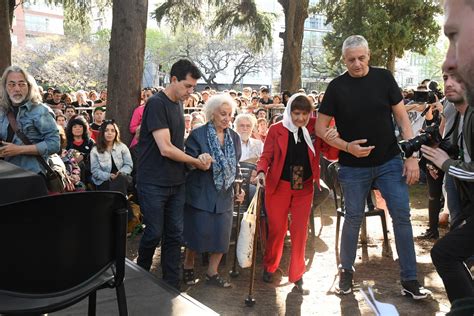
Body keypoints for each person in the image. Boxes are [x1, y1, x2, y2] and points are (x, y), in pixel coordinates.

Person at [315, 35, 428, 299]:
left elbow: (403, 120)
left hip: (389, 161)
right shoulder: (336, 87)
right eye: (351, 59)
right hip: (353, 166)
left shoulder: (384, 78)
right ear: (344, 59)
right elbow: (321, 128)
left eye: (361, 58)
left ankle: (410, 280)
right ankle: (346, 275)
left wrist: (412, 156)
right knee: (352, 218)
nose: (357, 64)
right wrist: (346, 146)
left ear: (369, 55)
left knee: (402, 215)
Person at [136, 59, 211, 289]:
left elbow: (179, 143)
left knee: (175, 235)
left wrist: (200, 155)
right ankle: (139, 276)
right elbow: (166, 148)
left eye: (193, 87)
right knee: (154, 233)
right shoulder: (157, 104)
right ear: (174, 79)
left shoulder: (178, 103)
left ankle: (170, 284)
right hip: (152, 183)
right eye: (188, 86)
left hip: (176, 181)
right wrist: (195, 162)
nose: (191, 92)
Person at [420, 0, 474, 304]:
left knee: (446, 253)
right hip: (466, 201)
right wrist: (438, 157)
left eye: (456, 36)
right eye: (445, 78)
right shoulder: (459, 114)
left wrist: (446, 163)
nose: (450, 78)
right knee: (451, 251)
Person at [256, 93, 336, 295]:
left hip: (304, 185)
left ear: (311, 113)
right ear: (289, 111)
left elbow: (330, 153)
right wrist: (261, 172)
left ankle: (297, 275)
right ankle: (270, 266)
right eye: (296, 113)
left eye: (305, 114)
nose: (300, 118)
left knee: (300, 231)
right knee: (277, 229)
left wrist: (332, 137)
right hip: (278, 185)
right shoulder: (277, 129)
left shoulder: (315, 126)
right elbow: (266, 155)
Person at [182, 94, 244, 287]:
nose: (227, 118)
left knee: (221, 235)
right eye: (222, 114)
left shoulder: (233, 136)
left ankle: (212, 272)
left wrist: (239, 188)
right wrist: (199, 160)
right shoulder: (198, 134)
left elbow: (235, 166)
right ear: (212, 114)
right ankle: (188, 266)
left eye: (230, 115)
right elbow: (187, 163)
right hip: (201, 191)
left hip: (224, 194)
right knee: (196, 232)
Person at [0, 65, 60, 178]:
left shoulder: (41, 111)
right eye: (12, 84)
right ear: (5, 87)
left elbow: (54, 144)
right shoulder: (2, 111)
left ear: (29, 86)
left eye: (21, 84)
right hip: (4, 176)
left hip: (31, 176)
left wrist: (19, 150)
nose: (17, 89)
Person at [90, 120, 133, 196]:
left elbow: (128, 165)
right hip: (104, 181)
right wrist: (109, 176)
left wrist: (120, 173)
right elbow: (95, 171)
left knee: (121, 179)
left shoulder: (122, 147)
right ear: (102, 133)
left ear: (116, 133)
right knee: (117, 185)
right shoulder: (95, 150)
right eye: (106, 130)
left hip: (122, 178)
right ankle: (123, 204)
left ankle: (116, 204)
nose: (109, 133)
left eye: (112, 131)